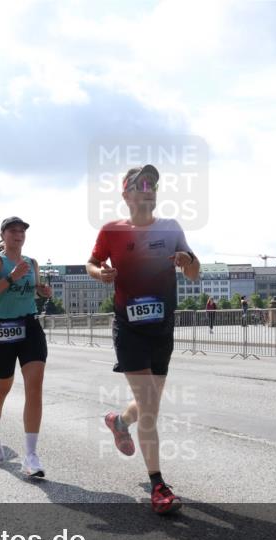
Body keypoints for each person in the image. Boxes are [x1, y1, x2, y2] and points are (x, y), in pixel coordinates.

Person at [87, 164, 201, 514]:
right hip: (129, 328)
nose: (149, 189)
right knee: (150, 406)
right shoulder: (112, 231)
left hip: (162, 329)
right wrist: (101, 273)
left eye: (153, 184)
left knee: (150, 403)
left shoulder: (171, 228)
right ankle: (158, 486)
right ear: (126, 194)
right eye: (141, 185)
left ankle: (119, 422)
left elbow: (194, 272)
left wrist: (186, 260)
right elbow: (91, 263)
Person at [0, 216, 53, 477]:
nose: (18, 235)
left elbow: (34, 289)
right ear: (3, 235)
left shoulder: (32, 263)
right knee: (2, 388)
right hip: (2, 329)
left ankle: (31, 456)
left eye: (22, 231)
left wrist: (42, 291)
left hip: (29, 326)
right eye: (13, 231)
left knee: (35, 387)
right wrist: (10, 278)